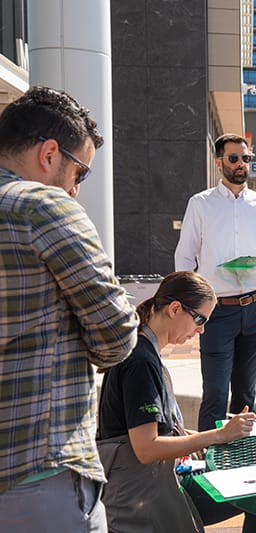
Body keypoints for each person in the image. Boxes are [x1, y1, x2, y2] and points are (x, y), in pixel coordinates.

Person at [0, 86, 139, 531]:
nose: (77, 189)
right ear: (49, 153)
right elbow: (117, 336)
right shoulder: (43, 206)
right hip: (41, 470)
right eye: (81, 172)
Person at [97, 271, 256, 533]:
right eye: (200, 319)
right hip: (141, 497)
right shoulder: (141, 362)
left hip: (153, 484)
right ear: (175, 309)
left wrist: (194, 436)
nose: (201, 330)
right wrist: (217, 435)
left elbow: (143, 430)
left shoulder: (143, 350)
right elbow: (146, 448)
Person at [174, 134, 256, 432]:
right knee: (215, 394)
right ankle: (207, 463)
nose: (241, 165)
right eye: (234, 158)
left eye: (246, 159)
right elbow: (184, 258)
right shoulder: (200, 204)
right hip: (217, 312)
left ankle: (240, 458)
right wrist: (189, 311)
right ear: (219, 162)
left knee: (246, 394)